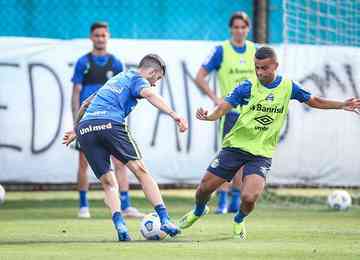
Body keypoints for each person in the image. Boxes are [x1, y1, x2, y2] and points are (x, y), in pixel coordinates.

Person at [179, 46, 360, 239]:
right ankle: (198, 211)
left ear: (275, 66)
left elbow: (314, 100)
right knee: (203, 189)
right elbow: (223, 107)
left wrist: (341, 105)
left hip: (261, 154)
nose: (259, 72)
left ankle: (239, 220)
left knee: (249, 198)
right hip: (234, 147)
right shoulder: (246, 87)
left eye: (264, 68)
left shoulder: (288, 87)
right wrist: (210, 117)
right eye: (256, 67)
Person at [63, 54, 187, 241]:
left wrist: (76, 129)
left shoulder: (116, 79)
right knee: (141, 171)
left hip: (86, 128)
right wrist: (174, 114)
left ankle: (120, 225)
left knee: (108, 182)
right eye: (157, 78)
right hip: (110, 124)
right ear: (152, 72)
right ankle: (165, 219)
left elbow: (85, 103)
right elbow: (150, 94)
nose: (155, 83)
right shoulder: (138, 79)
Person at [71, 21, 143, 218]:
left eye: (103, 35)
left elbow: (124, 93)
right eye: (97, 35)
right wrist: (76, 122)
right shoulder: (83, 63)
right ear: (91, 37)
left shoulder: (116, 63)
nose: (100, 39)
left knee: (120, 162)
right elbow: (76, 92)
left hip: (111, 120)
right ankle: (83, 206)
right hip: (87, 120)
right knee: (83, 162)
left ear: (108, 37)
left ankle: (126, 204)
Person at [194, 11, 256, 214]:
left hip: (251, 114)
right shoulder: (221, 50)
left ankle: (235, 200)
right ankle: (221, 200)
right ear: (231, 29)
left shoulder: (255, 51)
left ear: (248, 29)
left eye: (243, 27)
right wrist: (216, 99)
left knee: (244, 159)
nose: (239, 31)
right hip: (230, 114)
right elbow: (200, 76)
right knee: (227, 157)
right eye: (236, 27)